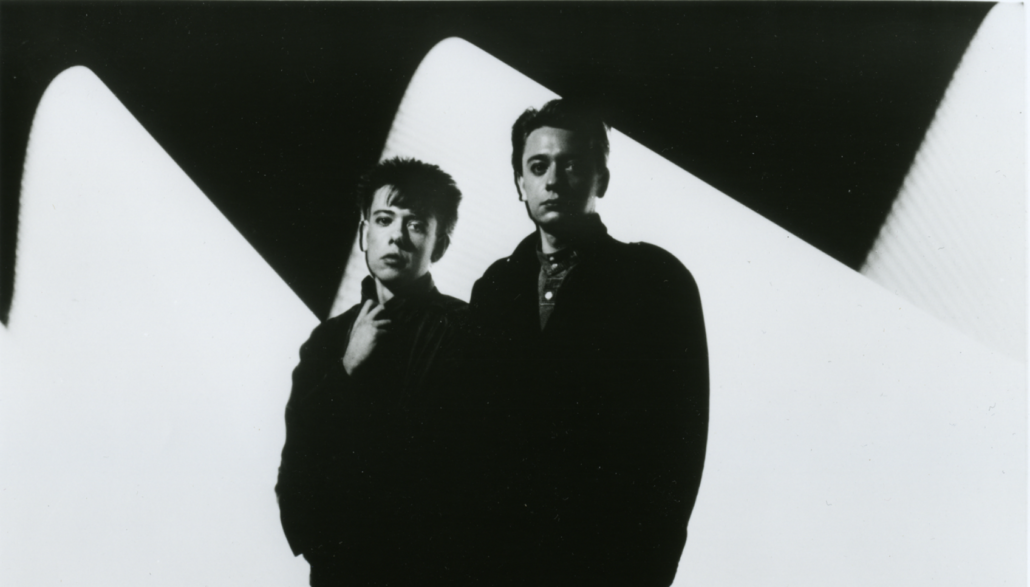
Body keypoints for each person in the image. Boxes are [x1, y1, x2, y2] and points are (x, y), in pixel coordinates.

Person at [465, 99, 709, 586]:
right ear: (519, 183)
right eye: (538, 166)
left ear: (602, 179)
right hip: (501, 562)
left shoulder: (655, 279)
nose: (553, 180)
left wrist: (647, 569)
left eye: (572, 163)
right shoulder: (494, 287)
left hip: (607, 564)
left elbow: (679, 443)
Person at [276, 157, 467, 586]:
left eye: (416, 224)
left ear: (439, 244)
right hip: (341, 568)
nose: (396, 235)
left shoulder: (465, 330)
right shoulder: (328, 341)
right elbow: (299, 463)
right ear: (365, 233)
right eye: (384, 219)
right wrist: (345, 369)